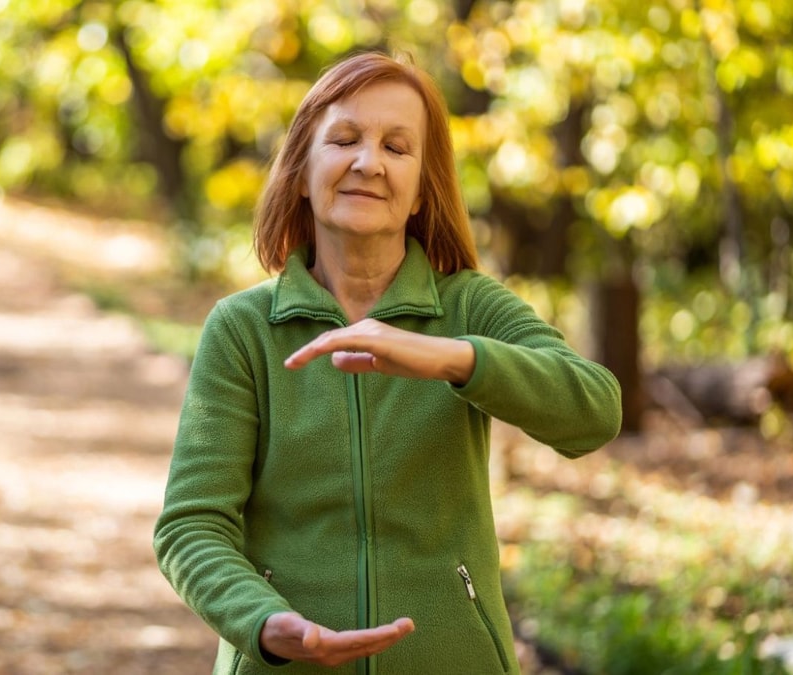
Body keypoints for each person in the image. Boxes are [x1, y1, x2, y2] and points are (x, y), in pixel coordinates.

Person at [153, 50, 622, 675]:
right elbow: (190, 526)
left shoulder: (470, 308)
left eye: (397, 148)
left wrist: (448, 358)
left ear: (423, 191)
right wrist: (265, 624)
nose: (368, 163)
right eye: (344, 138)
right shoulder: (242, 330)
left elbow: (594, 410)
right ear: (300, 171)